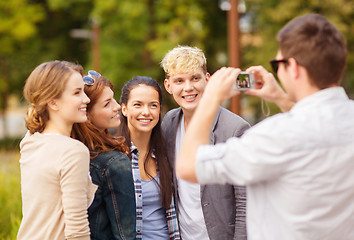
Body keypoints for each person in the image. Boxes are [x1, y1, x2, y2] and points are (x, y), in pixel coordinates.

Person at [176, 14, 354, 240]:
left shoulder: (274, 136)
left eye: (278, 64)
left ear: (294, 68)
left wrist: (211, 99)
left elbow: (188, 166)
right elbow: (316, 124)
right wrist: (282, 98)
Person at [160, 46, 250, 240]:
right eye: (179, 81)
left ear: (207, 79)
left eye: (195, 78)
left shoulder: (236, 129)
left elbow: (246, 201)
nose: (188, 88)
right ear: (168, 86)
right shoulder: (168, 123)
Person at [18, 60, 97, 240]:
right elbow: (77, 231)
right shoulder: (73, 151)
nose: (87, 99)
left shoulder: (30, 140)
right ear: (53, 102)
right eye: (77, 92)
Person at [71, 70, 136, 240]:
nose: (117, 106)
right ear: (87, 114)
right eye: (107, 104)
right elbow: (125, 234)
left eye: (113, 98)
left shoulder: (70, 154)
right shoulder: (114, 162)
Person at [116, 76, 180, 240]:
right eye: (138, 104)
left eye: (153, 105)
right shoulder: (114, 158)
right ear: (124, 109)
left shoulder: (167, 154)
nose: (146, 112)